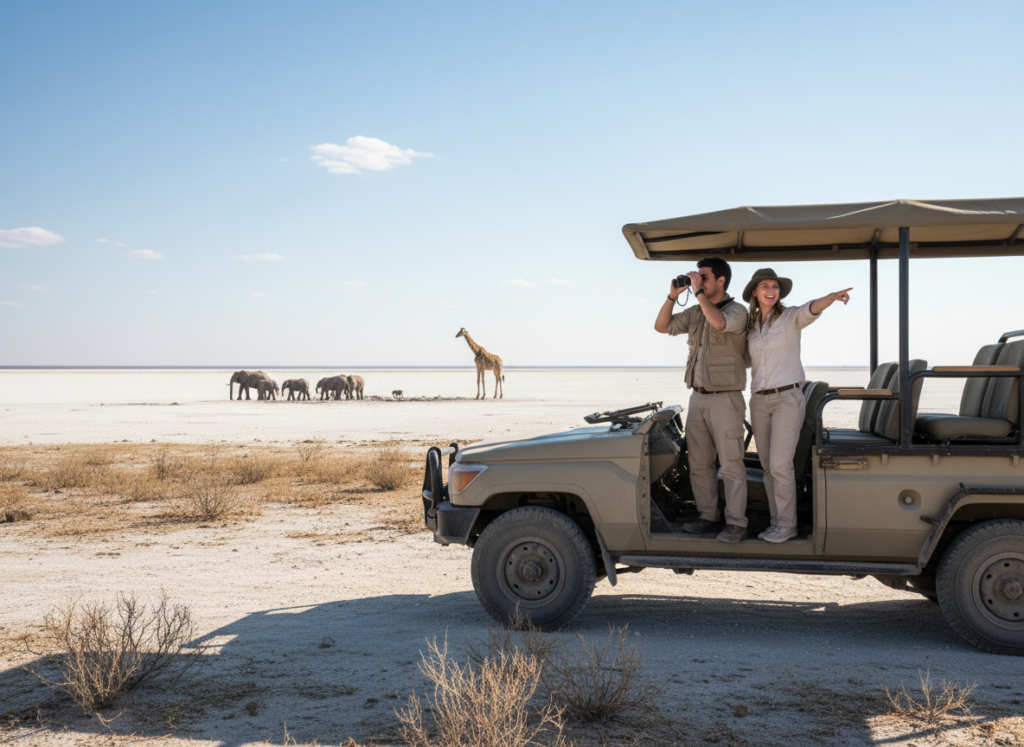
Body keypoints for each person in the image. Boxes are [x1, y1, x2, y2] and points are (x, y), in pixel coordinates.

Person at [742, 268, 852, 543]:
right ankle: (776, 522)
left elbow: (810, 308)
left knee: (780, 464)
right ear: (755, 292)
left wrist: (831, 297)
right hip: (758, 401)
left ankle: (787, 525)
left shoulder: (790, 316)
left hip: (786, 399)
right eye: (765, 286)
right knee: (768, 466)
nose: (771, 290)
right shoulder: (750, 326)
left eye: (775, 286)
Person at [654, 258, 750, 543]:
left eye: (704, 277)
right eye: (697, 277)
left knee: (731, 464)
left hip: (726, 399)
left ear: (721, 281)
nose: (699, 281)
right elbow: (662, 327)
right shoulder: (696, 311)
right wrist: (673, 296)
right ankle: (708, 516)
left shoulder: (737, 311)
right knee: (698, 463)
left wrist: (697, 292)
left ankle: (736, 523)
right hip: (698, 398)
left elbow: (719, 323)